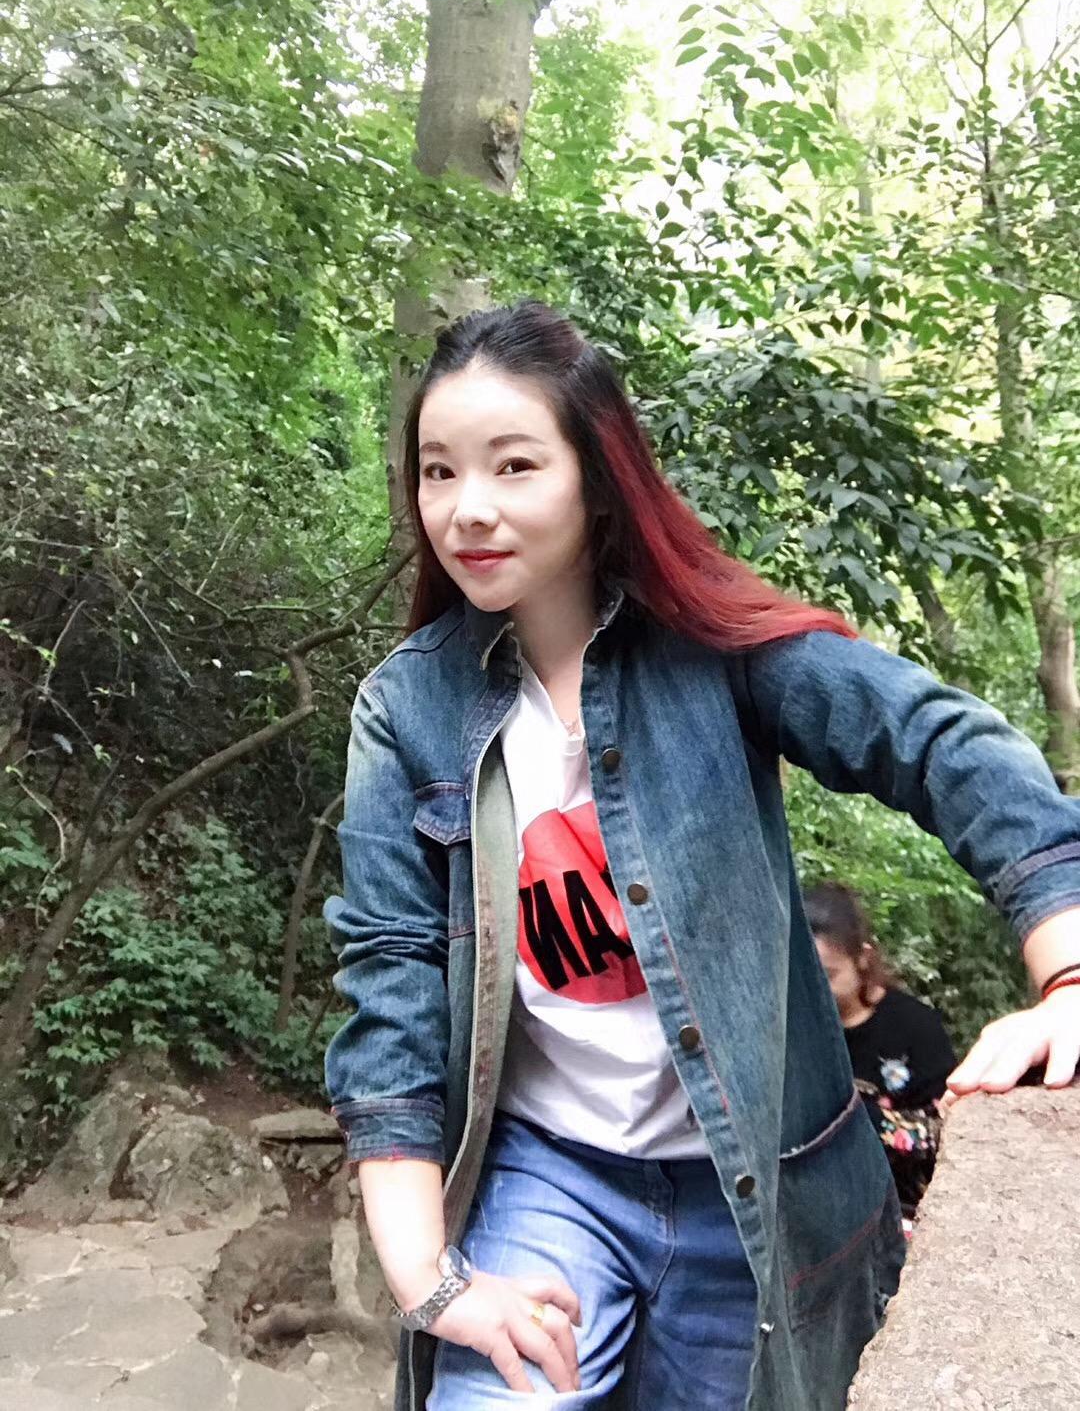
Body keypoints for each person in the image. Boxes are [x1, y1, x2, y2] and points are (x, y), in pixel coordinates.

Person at [323, 301, 1080, 1411]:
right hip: (550, 1179)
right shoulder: (409, 710)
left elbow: (934, 742)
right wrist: (433, 1281)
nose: (467, 508)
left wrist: (1068, 973)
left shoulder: (714, 654)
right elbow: (389, 985)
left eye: (514, 465)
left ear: (597, 477)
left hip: (761, 1191)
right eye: (439, 472)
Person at [805, 882, 956, 1221]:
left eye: (828, 975)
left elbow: (945, 1133)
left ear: (862, 957)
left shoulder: (915, 1026)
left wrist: (856, 1116)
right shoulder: (796, 1029)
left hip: (904, 1207)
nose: (814, 990)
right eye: (803, 978)